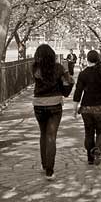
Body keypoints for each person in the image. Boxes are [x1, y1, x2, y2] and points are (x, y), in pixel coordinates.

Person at [32, 43, 74, 180]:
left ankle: (44, 164)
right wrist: (67, 76)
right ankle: (50, 170)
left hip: (38, 104)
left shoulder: (35, 69)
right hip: (55, 105)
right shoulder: (59, 68)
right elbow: (67, 84)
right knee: (51, 136)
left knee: (43, 134)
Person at [73, 49, 101, 165]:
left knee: (89, 132)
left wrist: (75, 108)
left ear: (87, 59)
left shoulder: (83, 74)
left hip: (86, 108)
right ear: (98, 59)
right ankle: (97, 149)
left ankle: (90, 158)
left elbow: (78, 92)